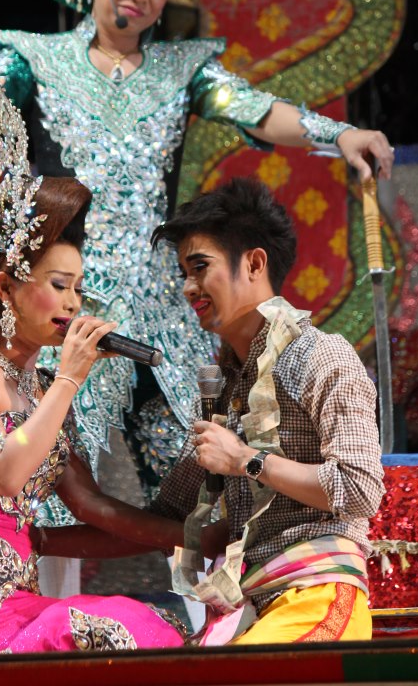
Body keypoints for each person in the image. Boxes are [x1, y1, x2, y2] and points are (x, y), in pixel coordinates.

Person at [0, 0, 394, 511]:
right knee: (44, 487)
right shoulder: (36, 61)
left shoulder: (182, 70)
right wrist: (1, 218)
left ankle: (205, 580)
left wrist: (342, 135)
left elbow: (256, 110)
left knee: (197, 483)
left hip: (160, 310)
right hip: (63, 305)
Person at [0, 90, 187, 655]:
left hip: (17, 590)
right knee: (106, 633)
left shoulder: (43, 389)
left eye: (78, 288)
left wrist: (194, 536)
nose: (74, 304)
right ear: (5, 287)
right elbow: (5, 472)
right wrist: (71, 379)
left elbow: (92, 509)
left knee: (148, 627)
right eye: (59, 285)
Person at [33, 177, 385, 645]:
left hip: (317, 595)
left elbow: (358, 489)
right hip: (253, 605)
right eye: (183, 273)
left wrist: (247, 460)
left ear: (254, 263)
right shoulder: (225, 387)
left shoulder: (321, 355)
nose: (188, 288)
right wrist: (32, 540)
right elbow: (163, 525)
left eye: (200, 268)